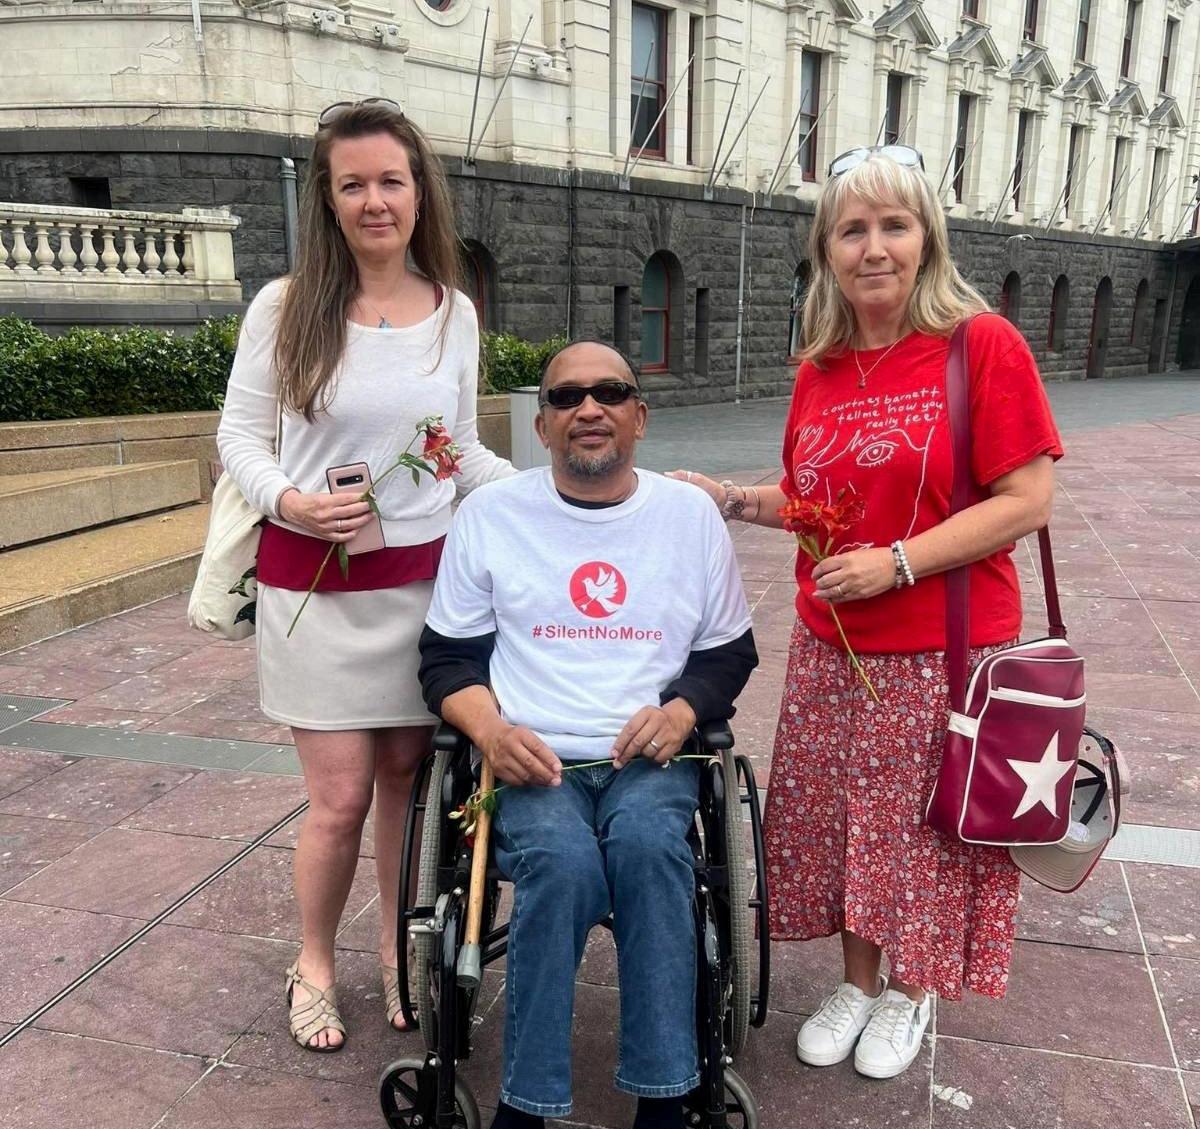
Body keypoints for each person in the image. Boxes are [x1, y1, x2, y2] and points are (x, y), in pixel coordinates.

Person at [672, 144, 1063, 1080]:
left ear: (927, 238)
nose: (874, 247)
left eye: (894, 225)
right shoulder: (824, 366)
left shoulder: (980, 344)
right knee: (848, 820)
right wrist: (732, 498)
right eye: (852, 229)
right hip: (834, 643)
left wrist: (897, 563)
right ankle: (856, 980)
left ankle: (909, 991)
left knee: (920, 827)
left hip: (941, 646)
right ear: (827, 250)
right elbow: (816, 502)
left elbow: (1026, 500)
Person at [216, 100, 513, 1052]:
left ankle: (395, 947)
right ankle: (313, 959)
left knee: (405, 782)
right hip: (315, 586)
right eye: (353, 184)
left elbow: (460, 450)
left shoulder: (455, 312)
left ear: (419, 191)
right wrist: (292, 503)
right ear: (329, 198)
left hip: (423, 587)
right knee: (339, 795)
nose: (374, 200)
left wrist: (554, 498)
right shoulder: (285, 306)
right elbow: (238, 438)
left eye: (391, 180)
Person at [417, 340, 758, 1129]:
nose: (589, 408)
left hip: (651, 755)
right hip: (533, 758)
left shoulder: (689, 517)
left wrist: (682, 711)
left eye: (610, 392)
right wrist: (492, 731)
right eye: (566, 397)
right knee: (563, 864)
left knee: (649, 850)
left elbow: (728, 651)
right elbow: (445, 658)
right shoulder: (491, 515)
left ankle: (665, 1098)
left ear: (641, 416)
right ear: (542, 426)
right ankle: (525, 1105)